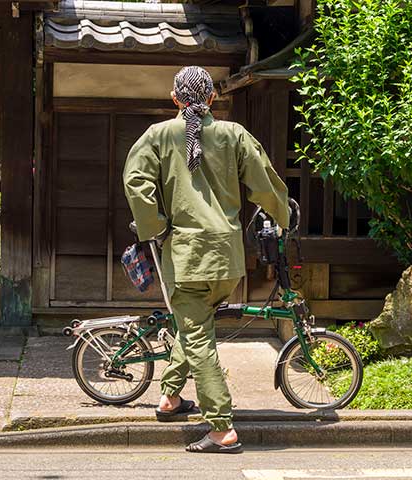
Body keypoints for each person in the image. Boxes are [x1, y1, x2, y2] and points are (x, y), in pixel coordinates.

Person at [123, 66, 289, 454]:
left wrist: (156, 228)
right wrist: (284, 217)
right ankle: (170, 398)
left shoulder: (158, 136)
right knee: (194, 325)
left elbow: (136, 182)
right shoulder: (234, 135)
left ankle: (221, 427)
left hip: (186, 256)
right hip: (227, 259)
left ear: (175, 98)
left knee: (197, 337)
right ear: (213, 99)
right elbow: (264, 181)